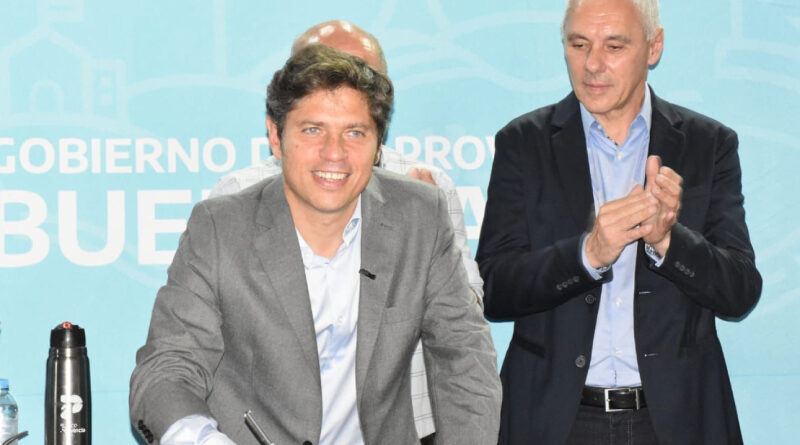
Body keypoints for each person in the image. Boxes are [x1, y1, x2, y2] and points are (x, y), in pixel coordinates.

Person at [130, 45, 501, 445]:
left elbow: (464, 360)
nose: (334, 153)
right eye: (312, 130)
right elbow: (168, 368)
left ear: (379, 145)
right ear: (275, 136)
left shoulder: (420, 214)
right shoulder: (220, 227)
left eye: (355, 133)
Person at [476, 1, 762, 444]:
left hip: (675, 422)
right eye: (578, 45)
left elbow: (739, 291)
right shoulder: (523, 143)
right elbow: (493, 290)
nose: (592, 64)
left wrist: (668, 241)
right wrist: (587, 255)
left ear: (654, 47)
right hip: (555, 421)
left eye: (614, 46)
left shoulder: (708, 144)